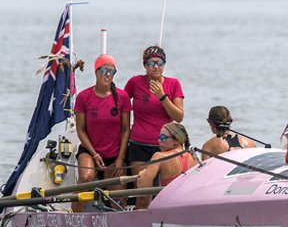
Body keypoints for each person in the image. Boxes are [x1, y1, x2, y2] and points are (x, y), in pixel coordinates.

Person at [124, 45, 185, 178]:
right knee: (142, 192)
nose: (156, 66)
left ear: (164, 64)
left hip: (166, 146)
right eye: (151, 63)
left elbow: (179, 117)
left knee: (163, 191)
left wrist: (162, 97)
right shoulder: (135, 82)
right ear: (145, 66)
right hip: (139, 145)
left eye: (160, 63)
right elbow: (120, 105)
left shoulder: (173, 84)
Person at [74, 54, 132, 187]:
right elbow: (80, 130)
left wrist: (120, 159)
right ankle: (75, 208)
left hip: (114, 155)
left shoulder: (122, 97)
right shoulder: (83, 97)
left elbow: (125, 130)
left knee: (119, 198)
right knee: (85, 178)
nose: (107, 74)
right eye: (103, 70)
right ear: (96, 72)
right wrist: (94, 155)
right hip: (90, 151)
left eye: (111, 71)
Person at [137, 122, 197, 207]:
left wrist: (142, 175)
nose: (158, 141)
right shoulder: (194, 157)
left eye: (163, 138)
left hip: (167, 205)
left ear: (176, 140)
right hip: (188, 204)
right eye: (159, 137)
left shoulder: (159, 156)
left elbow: (143, 186)